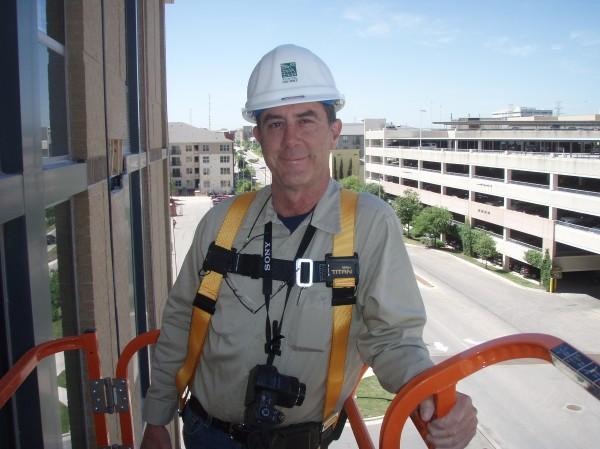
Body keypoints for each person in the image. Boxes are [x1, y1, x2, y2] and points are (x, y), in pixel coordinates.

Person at [141, 44, 477, 449]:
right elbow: (181, 320)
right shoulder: (222, 223)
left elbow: (393, 339)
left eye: (306, 120)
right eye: (275, 123)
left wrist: (433, 393)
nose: (291, 140)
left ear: (334, 131)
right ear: (258, 136)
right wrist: (156, 420)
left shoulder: (369, 225)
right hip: (208, 434)